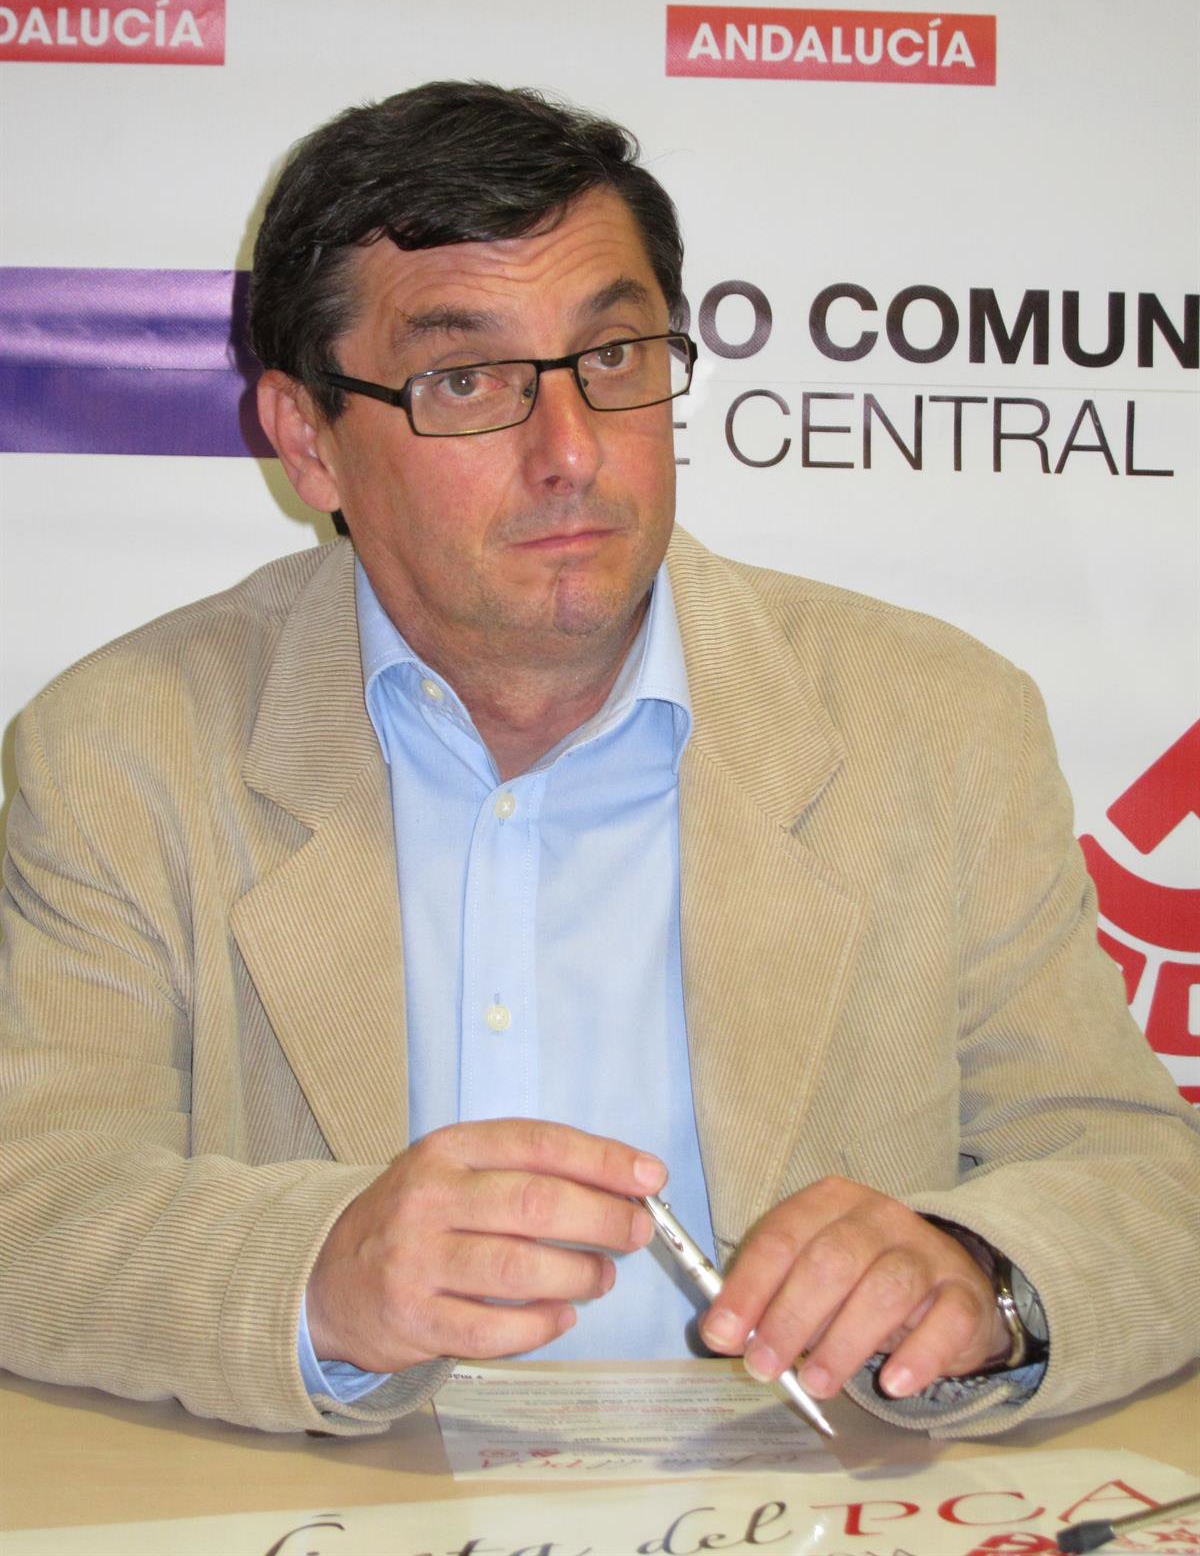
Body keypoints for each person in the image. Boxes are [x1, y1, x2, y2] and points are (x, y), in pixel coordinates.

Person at [0, 82, 1195, 1441]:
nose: (570, 452)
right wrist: (318, 1275)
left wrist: (981, 1277)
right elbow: (31, 1204)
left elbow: (1143, 1178)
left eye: (615, 357)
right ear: (307, 439)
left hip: (798, 1510)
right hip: (338, 1510)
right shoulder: (128, 748)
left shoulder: (934, 722)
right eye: (466, 380)